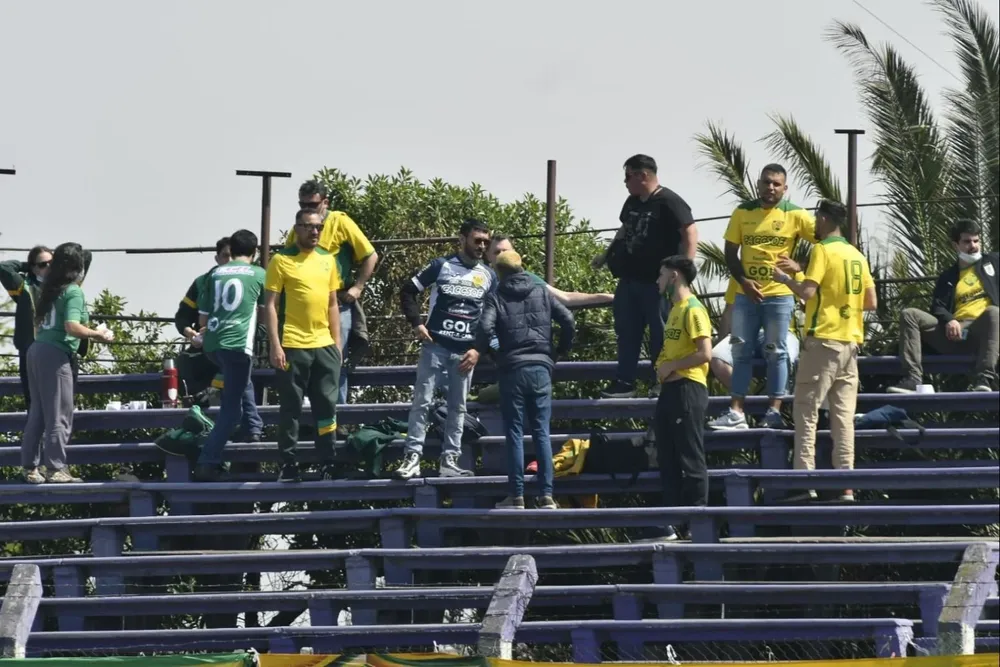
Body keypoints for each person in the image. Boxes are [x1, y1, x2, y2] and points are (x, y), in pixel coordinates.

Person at [772, 200, 877, 502]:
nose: (814, 225)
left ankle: (805, 481)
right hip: (850, 343)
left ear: (824, 218)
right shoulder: (856, 256)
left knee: (806, 411)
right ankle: (846, 483)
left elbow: (807, 292)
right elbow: (870, 302)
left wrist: (786, 280)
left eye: (816, 219)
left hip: (823, 340)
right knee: (844, 418)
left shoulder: (822, 251)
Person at [710, 164, 816, 431]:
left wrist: (800, 265)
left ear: (785, 187)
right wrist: (744, 282)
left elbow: (827, 242)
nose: (771, 188)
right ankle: (736, 413)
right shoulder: (743, 212)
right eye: (767, 182)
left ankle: (773, 412)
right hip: (748, 295)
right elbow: (730, 252)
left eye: (777, 184)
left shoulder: (796, 214)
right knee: (740, 349)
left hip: (780, 295)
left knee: (777, 352)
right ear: (759, 184)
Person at [396, 218, 496, 480]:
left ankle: (449, 461)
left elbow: (492, 317)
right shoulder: (442, 265)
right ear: (462, 239)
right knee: (422, 403)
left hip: (465, 354)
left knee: (458, 408)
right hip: (435, 347)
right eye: (477, 241)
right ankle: (412, 459)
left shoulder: (489, 275)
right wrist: (417, 323)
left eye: (486, 242)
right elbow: (407, 291)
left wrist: (478, 349)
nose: (482, 246)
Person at [592, 154, 697, 399]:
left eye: (628, 176)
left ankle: (662, 380)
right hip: (629, 280)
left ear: (643, 175)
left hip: (657, 282)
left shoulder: (669, 201)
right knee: (627, 332)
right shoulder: (632, 201)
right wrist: (606, 254)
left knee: (660, 334)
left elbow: (690, 232)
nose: (625, 182)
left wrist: (684, 271)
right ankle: (624, 383)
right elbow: (625, 228)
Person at [476, 250, 574, 509]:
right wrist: (558, 351)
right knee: (542, 432)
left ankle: (516, 496)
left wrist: (494, 355)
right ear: (522, 267)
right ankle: (547, 496)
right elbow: (568, 319)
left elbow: (485, 328)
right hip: (541, 367)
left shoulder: (495, 296)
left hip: (512, 369)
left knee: (515, 433)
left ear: (499, 272)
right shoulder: (541, 291)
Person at [21, 242, 114, 484]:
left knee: (39, 413)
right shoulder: (72, 291)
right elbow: (71, 327)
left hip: (36, 349)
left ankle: (30, 467)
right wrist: (98, 334)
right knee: (60, 414)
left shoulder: (47, 289)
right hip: (55, 354)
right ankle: (55, 469)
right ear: (76, 267)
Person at [264, 209, 343, 483]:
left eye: (319, 227)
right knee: (291, 408)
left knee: (326, 407)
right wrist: (275, 344)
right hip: (292, 345)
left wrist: (338, 344)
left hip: (324, 346)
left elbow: (333, 303)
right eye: (309, 227)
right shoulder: (281, 260)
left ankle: (327, 463)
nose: (314, 232)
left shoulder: (328, 260)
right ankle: (287, 464)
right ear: (297, 228)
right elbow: (270, 306)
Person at [290, 180, 378, 409]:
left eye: (312, 204)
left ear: (325, 202)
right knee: (306, 361)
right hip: (306, 305)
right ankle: (312, 417)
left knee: (334, 360)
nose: (307, 209)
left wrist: (357, 287)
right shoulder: (299, 226)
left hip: (337, 303)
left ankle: (336, 416)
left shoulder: (339, 221)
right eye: (302, 204)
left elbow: (370, 255)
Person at [888, 219, 998, 394]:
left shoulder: (993, 262)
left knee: (994, 312)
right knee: (910, 314)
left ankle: (984, 377)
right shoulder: (948, 276)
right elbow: (937, 306)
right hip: (955, 334)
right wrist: (950, 320)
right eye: (967, 242)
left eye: (976, 241)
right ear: (956, 245)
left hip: (984, 332)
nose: (973, 246)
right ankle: (912, 379)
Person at [192, 230, 267, 481]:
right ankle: (207, 459)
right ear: (254, 252)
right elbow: (270, 310)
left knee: (240, 382)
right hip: (238, 346)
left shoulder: (213, 275)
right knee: (231, 411)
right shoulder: (258, 274)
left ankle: (253, 427)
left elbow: (201, 318)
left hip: (212, 345)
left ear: (231, 251)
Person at [651, 256, 712, 540]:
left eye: (661, 274)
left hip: (688, 388)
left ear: (674, 276)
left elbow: (705, 353)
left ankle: (695, 522)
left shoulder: (693, 308)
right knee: (668, 457)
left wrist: (673, 366)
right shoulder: (674, 309)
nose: (658, 280)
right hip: (670, 390)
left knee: (691, 457)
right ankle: (674, 522)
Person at [709, 278, 803, 411]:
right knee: (717, 356)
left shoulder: (788, 269)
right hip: (744, 332)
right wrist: (722, 341)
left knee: (783, 353)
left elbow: (808, 297)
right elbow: (729, 310)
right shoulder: (739, 274)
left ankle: (776, 411)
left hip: (782, 332)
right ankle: (750, 406)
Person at [486, 235, 614, 308]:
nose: (502, 255)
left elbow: (565, 297)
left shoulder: (526, 279)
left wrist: (609, 298)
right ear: (488, 256)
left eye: (506, 251)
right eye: (497, 252)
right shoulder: (483, 278)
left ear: (515, 253)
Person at [0, 245, 52, 408]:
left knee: (57, 403)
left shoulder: (65, 284)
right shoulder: (24, 286)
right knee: (33, 402)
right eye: (43, 265)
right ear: (34, 268)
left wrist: (60, 262)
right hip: (30, 349)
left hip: (55, 350)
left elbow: (85, 256)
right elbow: (3, 267)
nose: (48, 267)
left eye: (52, 263)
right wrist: (27, 265)